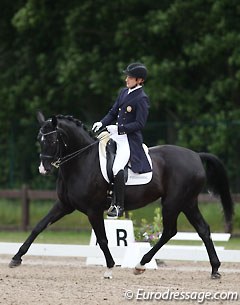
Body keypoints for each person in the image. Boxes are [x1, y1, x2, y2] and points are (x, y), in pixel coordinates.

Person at [92, 62, 151, 218]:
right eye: (127, 77)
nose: (126, 79)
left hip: (129, 140)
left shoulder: (142, 98)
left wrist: (119, 129)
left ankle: (118, 205)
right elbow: (112, 112)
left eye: (130, 77)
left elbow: (140, 124)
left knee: (118, 167)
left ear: (139, 80)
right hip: (116, 135)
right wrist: (102, 123)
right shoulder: (124, 92)